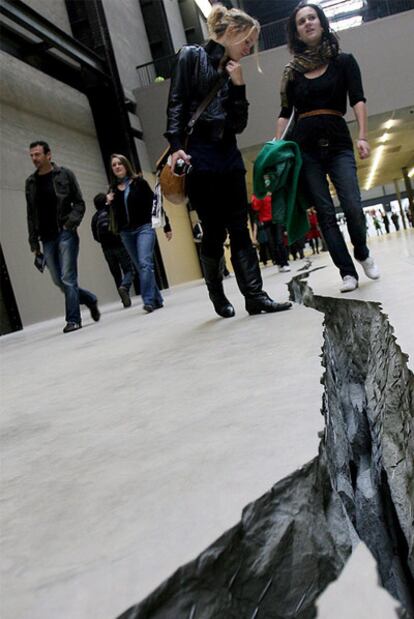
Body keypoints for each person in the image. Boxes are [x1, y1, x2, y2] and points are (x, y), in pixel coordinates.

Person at [165, 4, 291, 317]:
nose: (249, 50)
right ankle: (217, 293)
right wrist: (175, 145)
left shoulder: (233, 69)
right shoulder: (190, 56)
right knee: (213, 230)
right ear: (233, 32)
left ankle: (255, 296)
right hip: (199, 155)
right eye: (248, 42)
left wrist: (239, 87)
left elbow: (238, 124)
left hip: (228, 154)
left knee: (238, 226)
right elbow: (177, 102)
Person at [275, 2, 380, 293]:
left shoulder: (344, 61)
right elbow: (285, 112)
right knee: (324, 213)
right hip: (305, 149)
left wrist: (362, 135)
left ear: (322, 24)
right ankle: (347, 272)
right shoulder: (292, 72)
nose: (307, 23)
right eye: (301, 21)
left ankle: (362, 251)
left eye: (312, 18)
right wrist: (276, 146)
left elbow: (358, 98)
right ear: (296, 32)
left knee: (353, 206)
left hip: (338, 143)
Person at [25, 141, 100, 333]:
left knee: (68, 277)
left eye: (37, 154)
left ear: (48, 155)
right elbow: (31, 214)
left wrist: (69, 224)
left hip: (66, 233)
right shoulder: (31, 183)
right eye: (31, 155)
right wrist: (34, 243)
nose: (34, 158)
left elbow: (80, 203)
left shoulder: (65, 175)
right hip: (46, 238)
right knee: (59, 281)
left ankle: (73, 320)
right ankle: (90, 299)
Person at [106, 154, 171, 313]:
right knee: (141, 266)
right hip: (126, 233)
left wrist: (166, 224)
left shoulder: (139, 183)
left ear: (126, 165)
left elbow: (154, 203)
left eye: (120, 163)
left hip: (144, 227)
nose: (117, 167)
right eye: (114, 165)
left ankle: (148, 300)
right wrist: (108, 201)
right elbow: (114, 215)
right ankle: (157, 299)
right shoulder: (112, 190)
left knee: (144, 263)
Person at [91, 193, 134, 308]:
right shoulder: (112, 210)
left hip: (106, 250)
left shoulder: (95, 218)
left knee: (116, 274)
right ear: (106, 201)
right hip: (119, 245)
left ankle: (124, 299)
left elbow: (95, 236)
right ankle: (124, 287)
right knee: (129, 270)